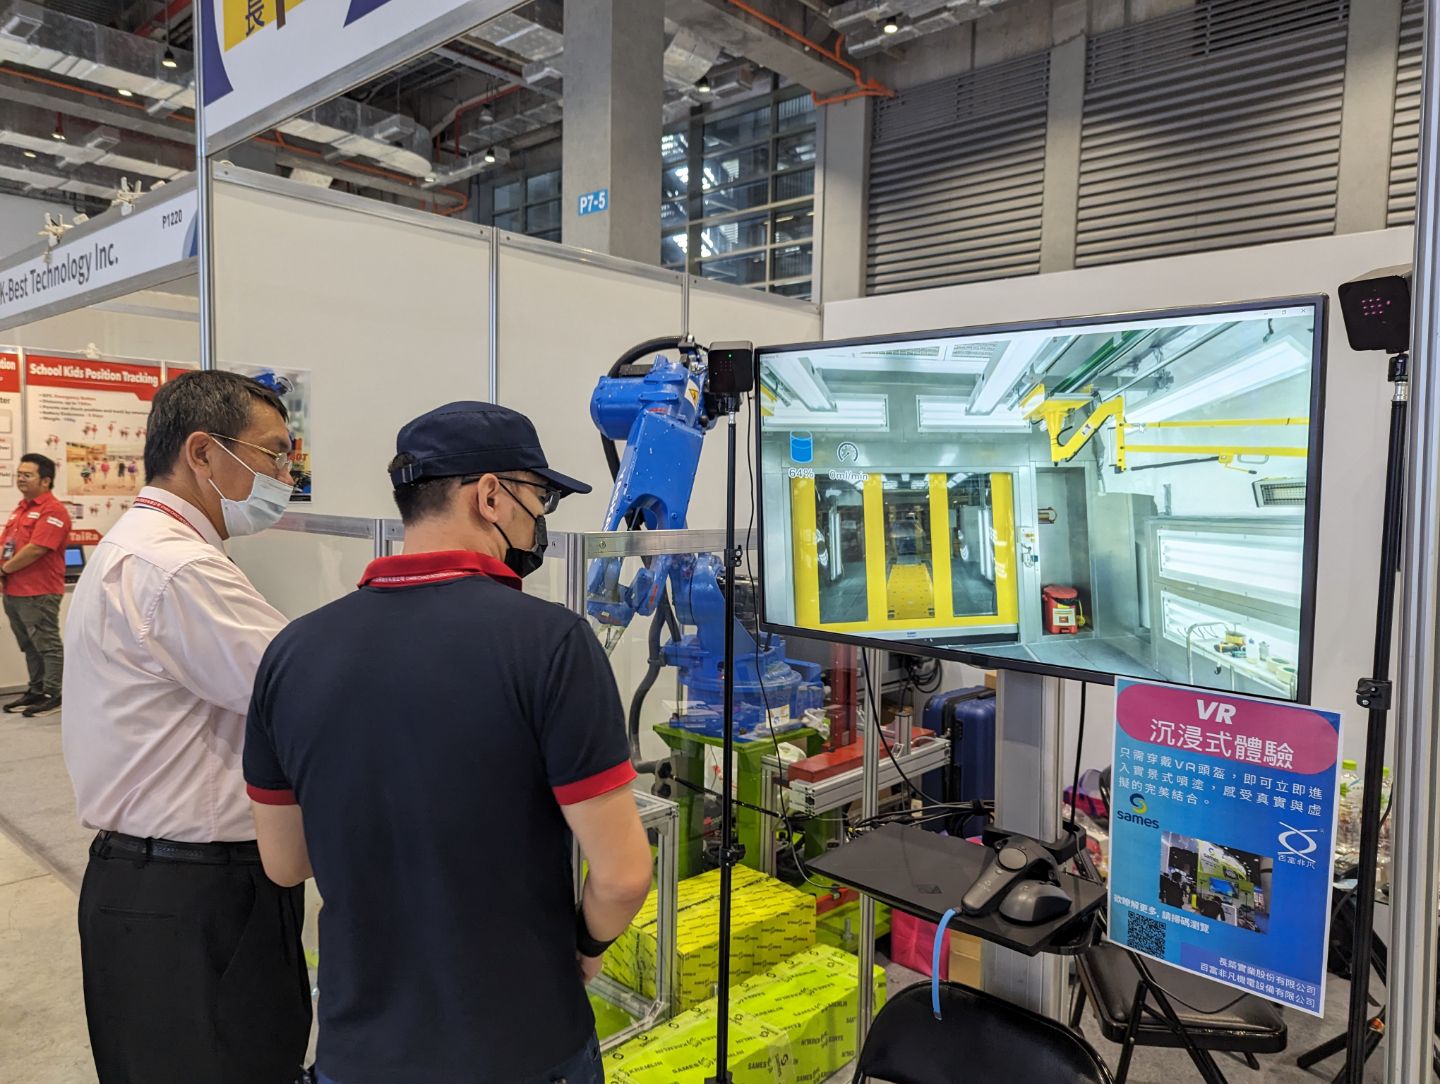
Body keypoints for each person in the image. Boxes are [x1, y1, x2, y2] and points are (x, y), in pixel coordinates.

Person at [245, 401, 654, 1084]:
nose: (540, 518)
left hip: (360, 1052)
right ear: (490, 496)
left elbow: (286, 863)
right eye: (539, 497)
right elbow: (623, 874)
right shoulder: (553, 644)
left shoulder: (292, 651)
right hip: (523, 1045)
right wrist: (586, 946)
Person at [62, 370, 310, 1084]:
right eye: (273, 454)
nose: (285, 476)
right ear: (203, 452)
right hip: (195, 893)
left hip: (159, 884)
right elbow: (302, 692)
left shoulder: (141, 548)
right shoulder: (175, 568)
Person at [0, 453, 71, 717]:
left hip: (38, 591)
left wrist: (3, 569)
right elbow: (7, 546)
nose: (20, 478)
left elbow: (37, 548)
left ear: (45, 480)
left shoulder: (53, 510)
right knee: (29, 645)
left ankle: (55, 693)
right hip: (13, 590)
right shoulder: (21, 509)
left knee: (47, 644)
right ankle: (37, 689)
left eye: (27, 475)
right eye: (19, 474)